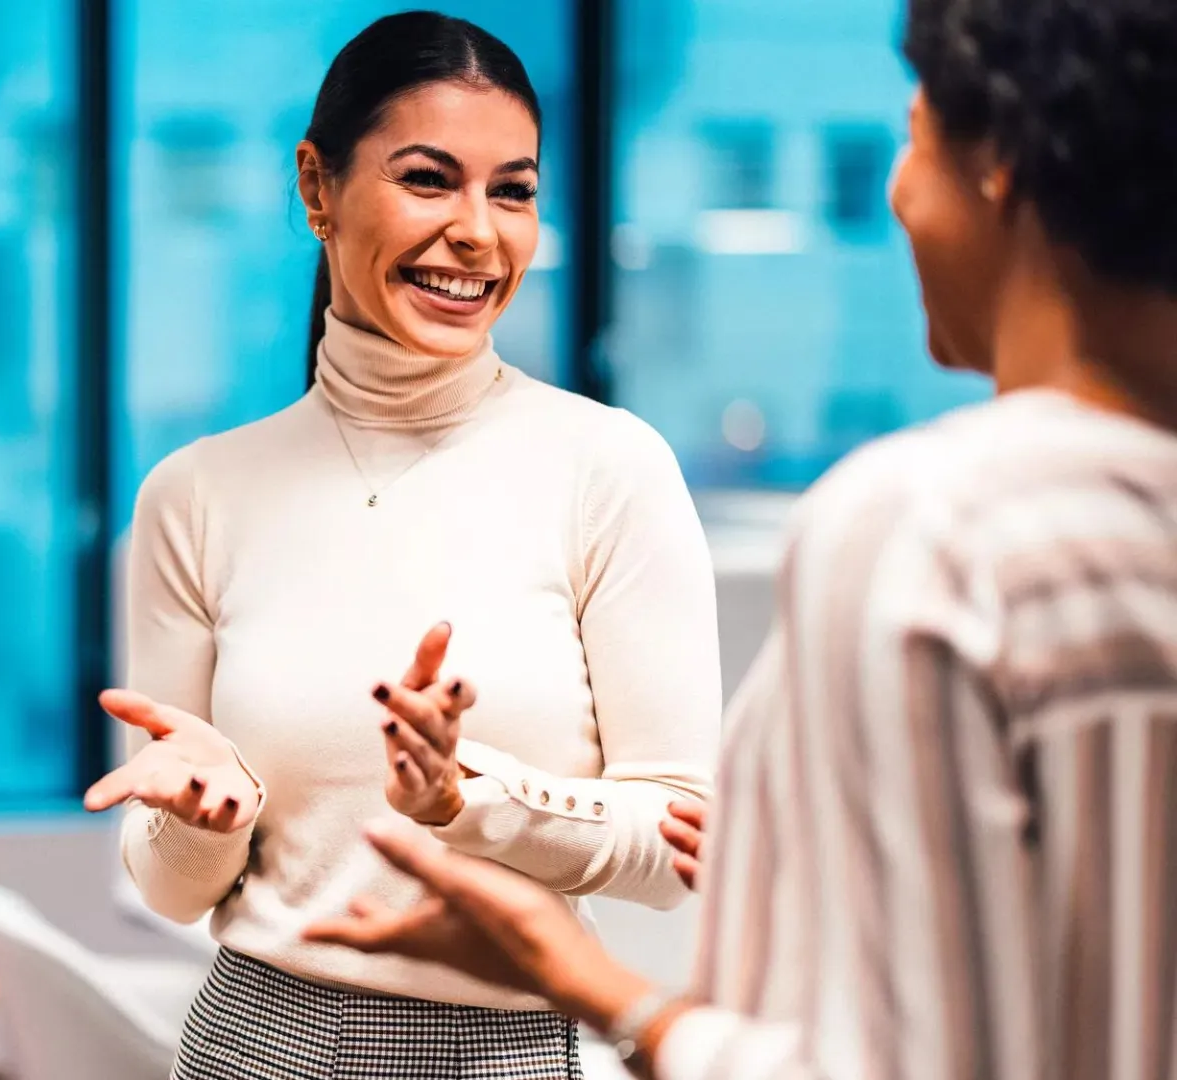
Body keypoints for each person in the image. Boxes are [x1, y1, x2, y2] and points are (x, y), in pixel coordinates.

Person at [305, 1, 1177, 1077]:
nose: (900, 193)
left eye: (908, 136)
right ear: (320, 193)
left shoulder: (934, 535)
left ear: (998, 158)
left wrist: (591, 986)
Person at [84, 11, 720, 1078]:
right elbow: (164, 886)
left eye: (511, 190)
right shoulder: (195, 496)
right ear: (318, 188)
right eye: (430, 179)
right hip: (255, 1037)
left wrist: (469, 800)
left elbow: (677, 843)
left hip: (510, 1043)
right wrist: (206, 820)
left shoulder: (607, 467)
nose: (479, 231)